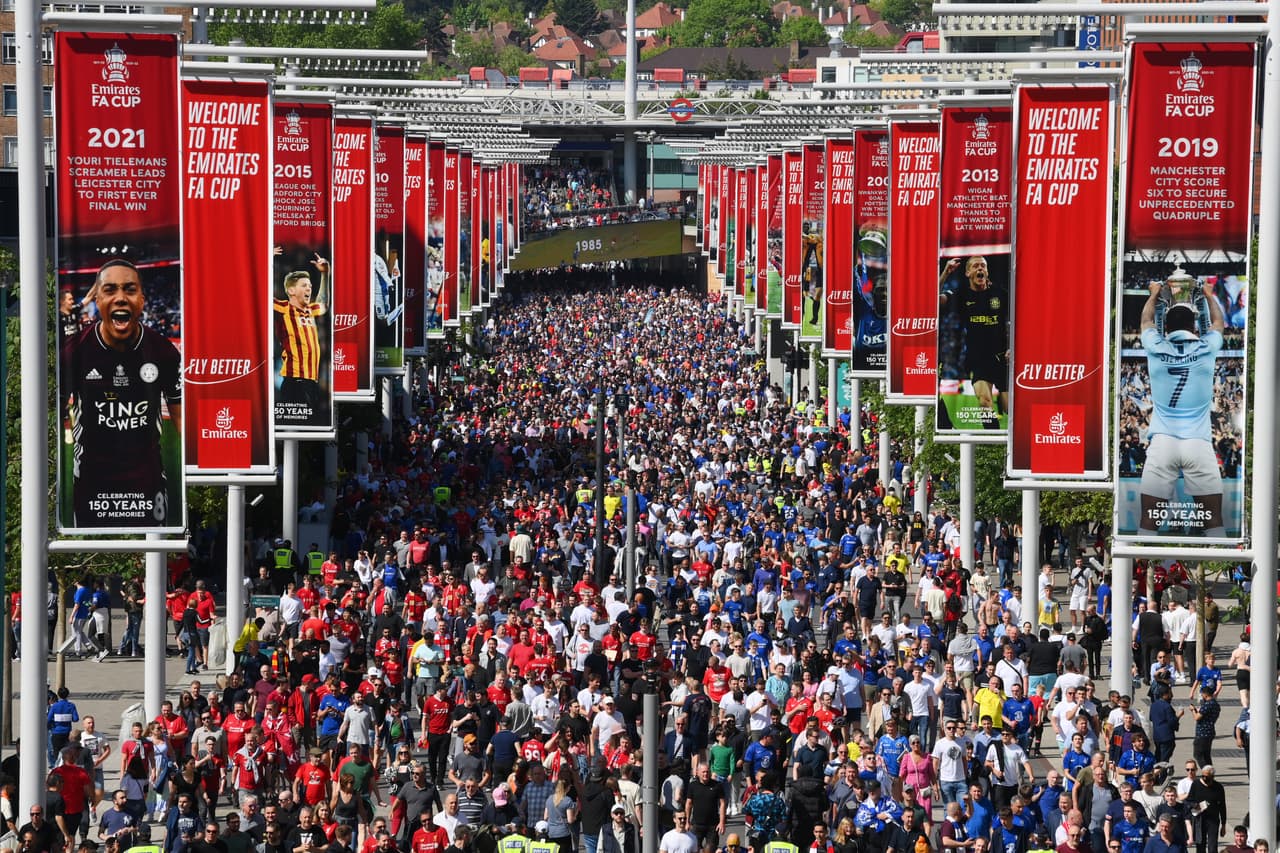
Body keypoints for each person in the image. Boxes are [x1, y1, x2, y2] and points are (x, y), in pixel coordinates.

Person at [60, 258, 182, 529]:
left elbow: (181, 418)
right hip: (93, 488)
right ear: (97, 301)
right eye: (110, 289)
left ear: (142, 300)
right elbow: (51, 416)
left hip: (147, 486)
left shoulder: (163, 351)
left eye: (129, 289)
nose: (120, 298)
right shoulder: (73, 352)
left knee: (154, 560)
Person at [1136, 272, 1226, 536]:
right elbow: (1218, 323)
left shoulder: (1155, 346)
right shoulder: (1206, 347)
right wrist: (1208, 296)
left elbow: (1146, 320)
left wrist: (1154, 293)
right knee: (1214, 525)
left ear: (1168, 328)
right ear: (1194, 327)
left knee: (1147, 525)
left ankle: (1129, 575)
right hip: (1198, 443)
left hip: (1163, 442)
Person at [939, 255, 1009, 429]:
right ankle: (991, 445)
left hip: (1003, 358)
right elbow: (933, 301)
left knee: (1008, 408)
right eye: (976, 266)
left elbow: (1017, 321)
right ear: (968, 272)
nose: (980, 269)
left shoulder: (1001, 294)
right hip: (978, 359)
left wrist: (1012, 348)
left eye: (983, 266)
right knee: (985, 403)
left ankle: (1007, 445)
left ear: (987, 271)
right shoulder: (961, 294)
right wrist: (945, 274)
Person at [273, 256, 330, 416]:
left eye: (310, 286)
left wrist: (325, 275)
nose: (309, 289)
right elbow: (260, 296)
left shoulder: (310, 310)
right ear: (291, 291)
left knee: (312, 431)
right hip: (295, 381)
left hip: (312, 382)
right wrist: (265, 261)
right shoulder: (282, 308)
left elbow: (324, 304)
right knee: (298, 428)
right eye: (304, 285)